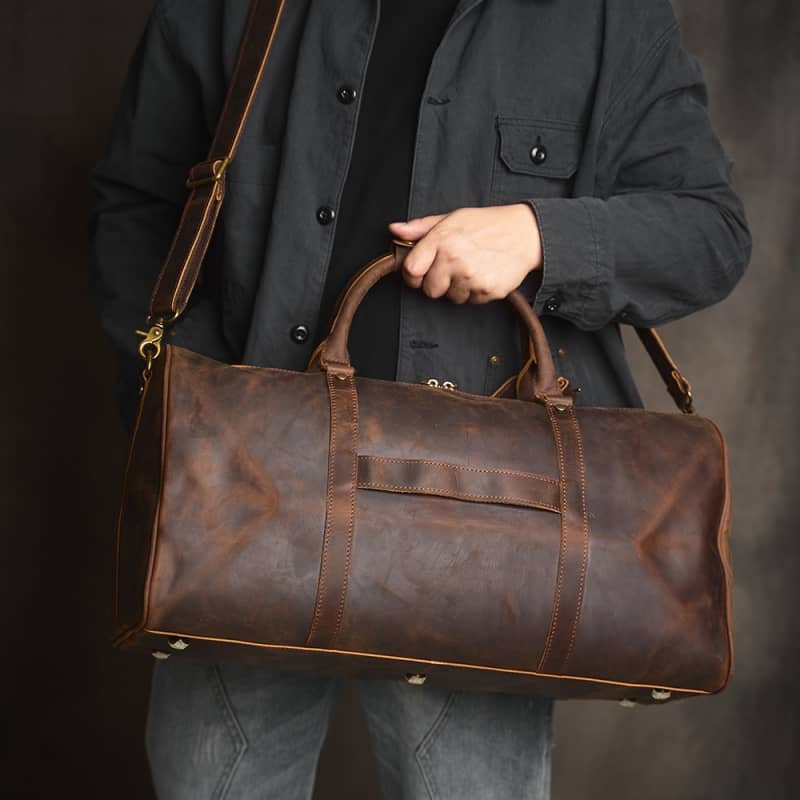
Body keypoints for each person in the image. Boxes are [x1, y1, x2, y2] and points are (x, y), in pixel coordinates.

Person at [90, 0, 751, 797]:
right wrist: (183, 411)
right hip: (245, 493)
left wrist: (539, 237)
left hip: (493, 531)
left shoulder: (607, 15)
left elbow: (711, 231)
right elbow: (142, 201)